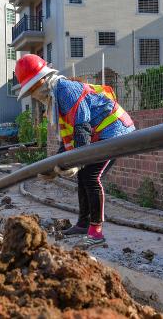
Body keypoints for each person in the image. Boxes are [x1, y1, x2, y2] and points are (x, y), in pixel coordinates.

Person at [15, 54, 135, 250]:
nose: (34, 95)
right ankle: (83, 224)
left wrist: (77, 162)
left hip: (115, 132)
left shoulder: (66, 90)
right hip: (100, 135)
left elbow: (82, 128)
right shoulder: (56, 97)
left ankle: (96, 233)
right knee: (83, 178)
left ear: (42, 80)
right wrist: (55, 167)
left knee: (90, 176)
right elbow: (69, 138)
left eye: (33, 89)